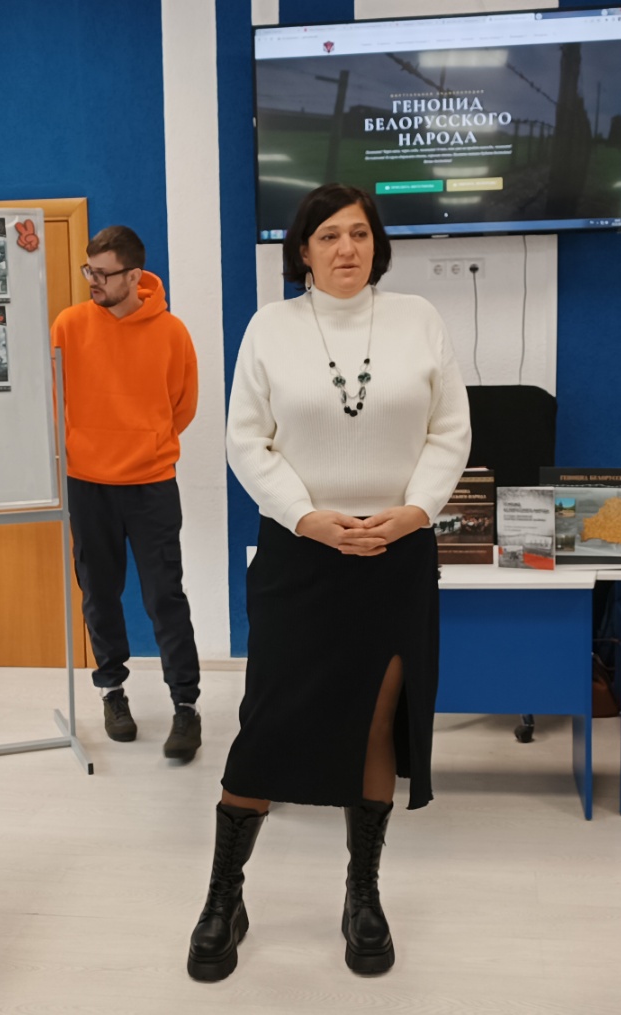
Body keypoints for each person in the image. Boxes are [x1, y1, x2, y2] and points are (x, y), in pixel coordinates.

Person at [189, 183, 471, 981]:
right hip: (300, 554)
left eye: (359, 233)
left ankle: (362, 892)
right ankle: (224, 894)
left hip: (395, 555)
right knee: (267, 725)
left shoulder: (419, 319)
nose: (346, 247)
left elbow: (450, 431)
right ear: (303, 251)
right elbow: (247, 441)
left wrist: (416, 511)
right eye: (328, 236)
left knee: (375, 723)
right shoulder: (269, 329)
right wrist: (305, 516)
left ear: (377, 244)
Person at [51, 225, 203, 761]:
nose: (92, 280)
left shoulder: (172, 332)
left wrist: (145, 444)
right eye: (88, 270)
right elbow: (53, 396)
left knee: (165, 596)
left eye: (103, 273)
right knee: (99, 592)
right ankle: (112, 693)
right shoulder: (69, 325)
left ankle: (186, 706)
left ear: (134, 275)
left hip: (151, 484)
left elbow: (182, 406)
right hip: (87, 483)